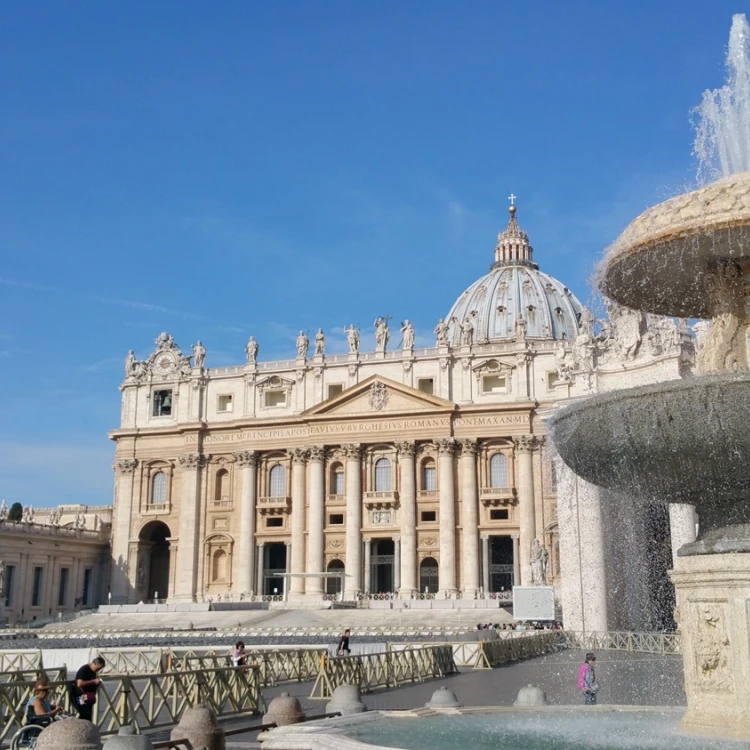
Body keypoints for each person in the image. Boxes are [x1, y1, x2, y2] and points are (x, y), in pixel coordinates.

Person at [73, 656, 105, 721]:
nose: (98, 670)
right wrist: (93, 681)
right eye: (98, 668)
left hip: (88, 698)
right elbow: (79, 684)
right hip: (81, 698)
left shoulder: (93, 671)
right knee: (83, 717)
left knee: (88, 717)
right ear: (94, 664)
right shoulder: (84, 669)